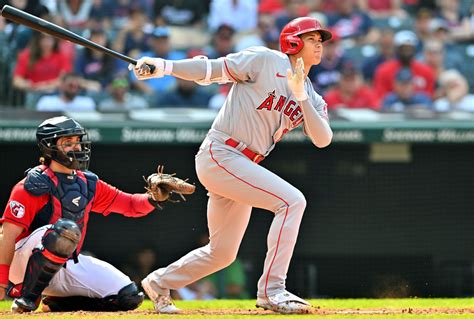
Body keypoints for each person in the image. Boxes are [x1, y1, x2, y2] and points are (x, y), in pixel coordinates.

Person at [130, 16, 333, 314]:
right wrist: (164, 66)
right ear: (293, 42)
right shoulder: (264, 60)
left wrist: (301, 95)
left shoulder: (312, 95)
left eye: (320, 41)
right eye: (312, 39)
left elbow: (323, 139)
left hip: (242, 166)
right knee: (292, 202)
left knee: (221, 254)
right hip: (222, 152)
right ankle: (272, 290)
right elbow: (210, 69)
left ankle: (160, 282)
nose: (319, 46)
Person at [0, 116, 178, 313]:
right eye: (68, 143)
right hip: (23, 263)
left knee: (129, 296)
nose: (76, 148)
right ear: (49, 147)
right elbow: (6, 235)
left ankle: (56, 304)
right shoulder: (32, 184)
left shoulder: (87, 183)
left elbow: (130, 205)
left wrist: (154, 198)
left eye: (78, 141)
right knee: (66, 229)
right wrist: (1, 282)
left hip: (65, 264)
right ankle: (28, 298)